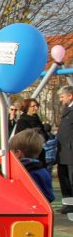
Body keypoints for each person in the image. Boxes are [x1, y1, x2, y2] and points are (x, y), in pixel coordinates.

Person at [9, 129, 55, 202]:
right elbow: (50, 195)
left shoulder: (21, 172)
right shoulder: (42, 170)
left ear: (18, 153)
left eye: (11, 152)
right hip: (42, 206)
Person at [56, 85, 73, 213]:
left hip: (71, 151)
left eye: (62, 97)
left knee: (71, 178)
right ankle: (68, 204)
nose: (61, 100)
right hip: (63, 151)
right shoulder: (66, 110)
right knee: (64, 178)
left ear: (70, 96)